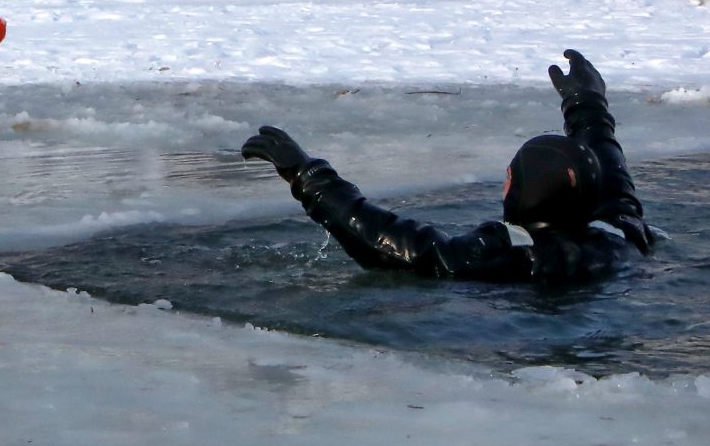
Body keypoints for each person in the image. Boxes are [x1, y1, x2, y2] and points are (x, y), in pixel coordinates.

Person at [237, 50, 657, 286]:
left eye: (512, 176)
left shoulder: (501, 258)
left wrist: (307, 175)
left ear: (528, 193)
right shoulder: (620, 236)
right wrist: (586, 102)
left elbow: (393, 242)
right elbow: (611, 170)